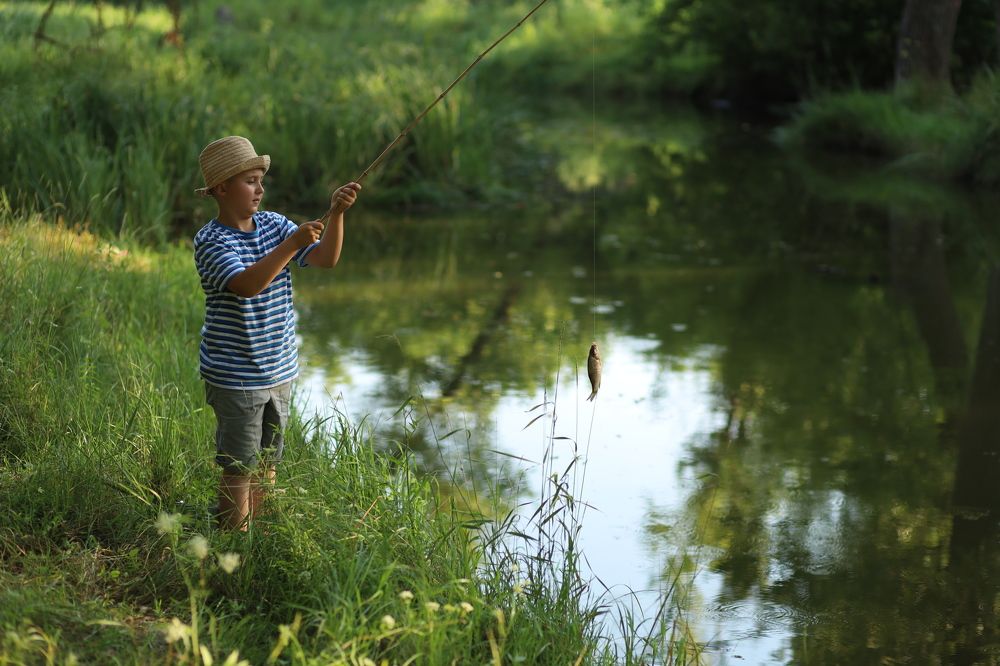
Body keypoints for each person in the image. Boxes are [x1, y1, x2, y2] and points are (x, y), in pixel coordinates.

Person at [192, 135, 360, 531]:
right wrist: (291, 244)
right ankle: (234, 542)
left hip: (279, 370)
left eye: (260, 180)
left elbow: (325, 258)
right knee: (239, 466)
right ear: (222, 189)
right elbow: (248, 284)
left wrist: (337, 214)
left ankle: (261, 532)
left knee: (269, 461)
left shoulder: (274, 224)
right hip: (236, 376)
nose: (260, 189)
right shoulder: (212, 240)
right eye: (250, 181)